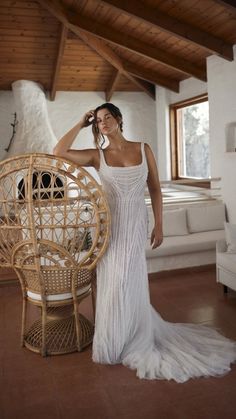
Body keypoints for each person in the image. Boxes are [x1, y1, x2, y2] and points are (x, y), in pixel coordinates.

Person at [53, 102, 236, 382]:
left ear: (118, 119)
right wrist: (81, 122)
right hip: (111, 229)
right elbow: (59, 152)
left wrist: (159, 224)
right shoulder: (97, 156)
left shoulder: (143, 148)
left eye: (107, 117)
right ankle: (114, 340)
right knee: (114, 283)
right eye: (98, 120)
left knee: (132, 281)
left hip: (136, 225)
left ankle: (135, 334)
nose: (102, 123)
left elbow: (155, 189)